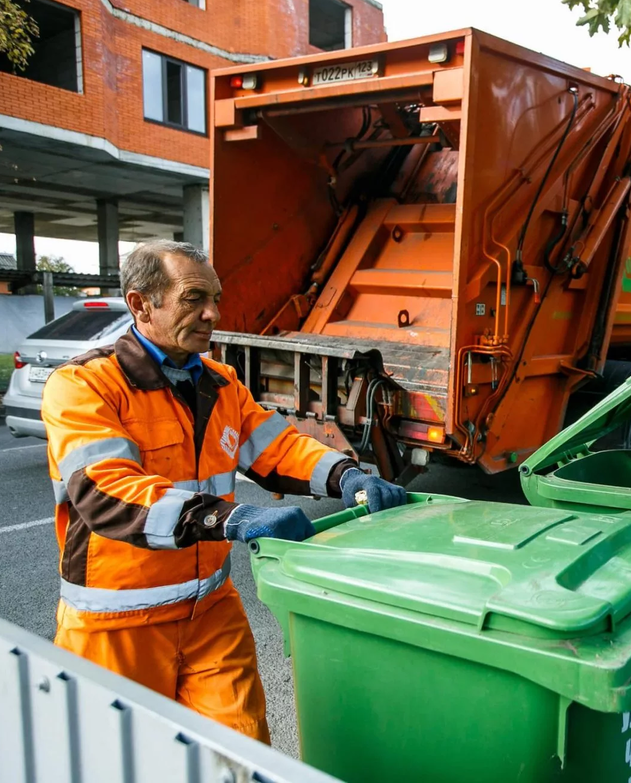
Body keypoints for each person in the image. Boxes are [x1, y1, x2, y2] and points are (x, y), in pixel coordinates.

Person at [41, 239, 407, 742]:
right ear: (141, 304)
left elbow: (276, 448)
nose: (213, 313)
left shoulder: (220, 383)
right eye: (193, 298)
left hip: (210, 615)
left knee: (241, 753)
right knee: (118, 762)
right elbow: (107, 490)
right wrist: (228, 519)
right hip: (115, 627)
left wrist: (346, 475)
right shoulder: (85, 384)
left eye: (215, 297)